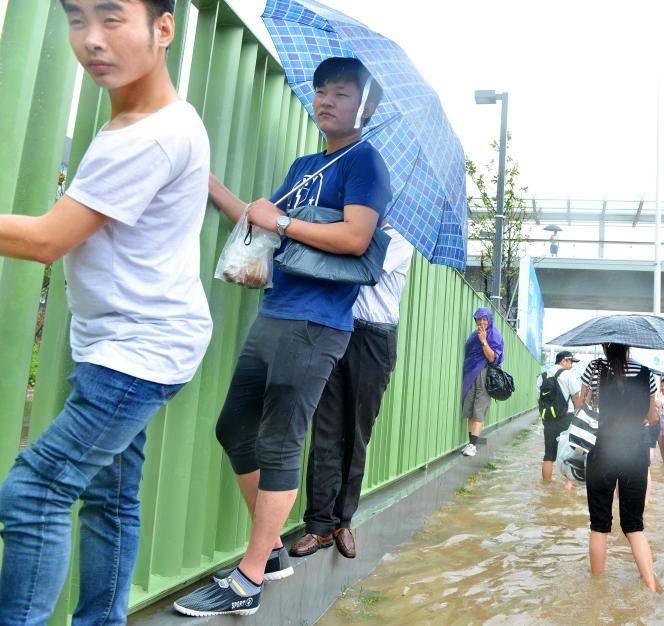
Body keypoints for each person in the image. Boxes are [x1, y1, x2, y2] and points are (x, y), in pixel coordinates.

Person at [0, 2, 212, 623]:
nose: (91, 39)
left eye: (111, 19)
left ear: (163, 28)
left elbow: (47, 240)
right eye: (77, 20)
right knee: (110, 499)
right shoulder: (156, 118)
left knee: (34, 491)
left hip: (135, 353)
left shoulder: (148, 136)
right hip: (139, 342)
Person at [173, 57, 391, 617]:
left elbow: (356, 237)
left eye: (341, 93)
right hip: (274, 312)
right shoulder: (305, 165)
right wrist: (208, 182)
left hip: (317, 324)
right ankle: (269, 550)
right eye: (321, 91)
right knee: (233, 427)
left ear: (366, 106)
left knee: (279, 441)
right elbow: (259, 218)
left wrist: (285, 223)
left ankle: (248, 581)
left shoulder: (366, 162)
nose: (326, 100)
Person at [290, 226, 413, 559]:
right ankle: (318, 526)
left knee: (356, 433)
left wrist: (336, 241)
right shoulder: (350, 224)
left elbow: (363, 266)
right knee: (326, 430)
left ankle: (343, 521)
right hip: (336, 328)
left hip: (375, 338)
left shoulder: (401, 236)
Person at [579, 343, 658, 589]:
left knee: (599, 525)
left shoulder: (594, 369)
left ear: (604, 345)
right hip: (635, 451)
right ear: (629, 345)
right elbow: (652, 417)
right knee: (634, 526)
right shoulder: (646, 373)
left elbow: (582, 406)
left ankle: (598, 590)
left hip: (601, 449)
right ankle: (651, 585)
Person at [461, 308, 504, 457]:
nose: (482, 322)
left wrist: (484, 341)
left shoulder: (494, 335)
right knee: (470, 409)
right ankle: (470, 443)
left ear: (490, 320)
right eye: (479, 319)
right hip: (470, 374)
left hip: (484, 374)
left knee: (479, 409)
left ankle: (473, 445)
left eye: (485, 319)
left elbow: (493, 358)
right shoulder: (474, 334)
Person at [537, 351, 581, 482]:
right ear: (563, 361)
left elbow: (538, 399)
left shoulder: (542, 376)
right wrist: (578, 414)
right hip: (566, 418)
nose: (572, 365)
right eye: (570, 361)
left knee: (549, 455)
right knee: (569, 453)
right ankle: (568, 488)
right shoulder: (568, 375)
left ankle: (546, 485)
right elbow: (576, 397)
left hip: (548, 418)